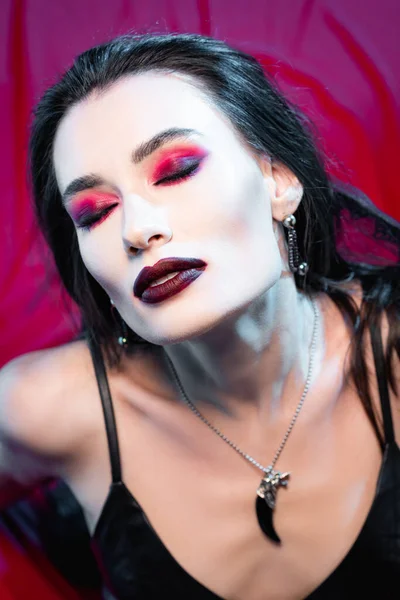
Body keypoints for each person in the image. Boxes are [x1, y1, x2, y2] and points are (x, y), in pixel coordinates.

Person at [0, 32, 399, 599]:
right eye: (94, 212)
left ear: (278, 182)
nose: (137, 230)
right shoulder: (45, 410)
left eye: (177, 170)